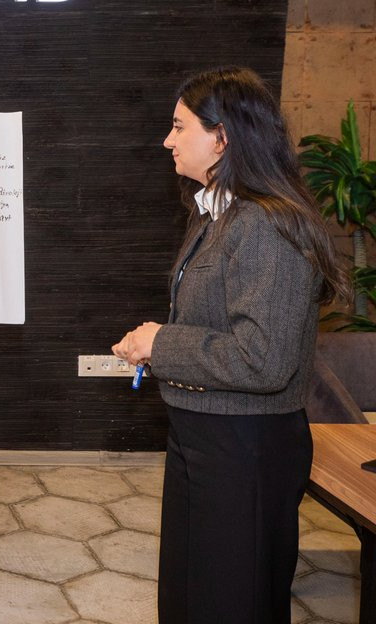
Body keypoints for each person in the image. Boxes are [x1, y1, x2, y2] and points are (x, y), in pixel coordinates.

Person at [112, 67, 348, 624]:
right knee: (189, 598)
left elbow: (262, 359)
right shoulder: (214, 214)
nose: (167, 140)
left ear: (222, 137)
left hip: (244, 448)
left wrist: (161, 344)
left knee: (231, 603)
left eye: (179, 127)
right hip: (203, 436)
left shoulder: (265, 224)